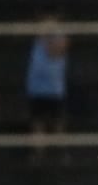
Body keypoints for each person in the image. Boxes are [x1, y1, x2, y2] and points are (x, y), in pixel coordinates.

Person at [26, 13, 69, 165]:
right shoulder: (36, 38)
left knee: (57, 122)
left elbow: (55, 52)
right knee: (37, 123)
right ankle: (38, 154)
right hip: (36, 89)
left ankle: (61, 152)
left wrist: (46, 37)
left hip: (54, 89)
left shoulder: (60, 38)